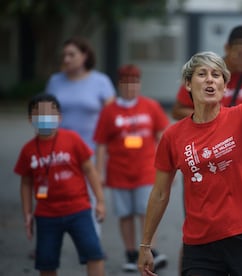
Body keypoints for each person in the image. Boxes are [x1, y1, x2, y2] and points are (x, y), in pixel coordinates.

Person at [138, 9, 242, 276]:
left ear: (224, 86)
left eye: (216, 75)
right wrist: (145, 245)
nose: (210, 79)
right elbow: (160, 193)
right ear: (188, 85)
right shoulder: (173, 136)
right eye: (202, 74)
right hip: (200, 244)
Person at [14, 94, 106, 276]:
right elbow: (25, 183)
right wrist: (27, 213)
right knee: (46, 262)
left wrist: (100, 201)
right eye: (39, 113)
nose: (45, 118)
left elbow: (90, 169)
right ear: (30, 119)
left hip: (79, 210)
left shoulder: (72, 139)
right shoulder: (28, 150)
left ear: (60, 117)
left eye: (50, 113)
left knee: (94, 254)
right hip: (46, 215)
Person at [94, 64, 169, 273]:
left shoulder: (151, 106)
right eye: (127, 83)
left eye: (135, 83)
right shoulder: (109, 111)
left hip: (146, 169)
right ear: (120, 85)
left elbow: (162, 136)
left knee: (147, 211)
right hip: (119, 171)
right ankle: (130, 252)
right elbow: (100, 143)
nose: (131, 87)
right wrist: (99, 172)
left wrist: (168, 164)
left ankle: (151, 250)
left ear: (139, 84)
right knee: (125, 214)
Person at [45, 37, 116, 237]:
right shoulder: (55, 81)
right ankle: (48, 240)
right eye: (64, 55)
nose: (66, 59)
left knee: (91, 197)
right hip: (56, 150)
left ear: (84, 56)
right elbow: (45, 113)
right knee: (51, 195)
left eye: (71, 54)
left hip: (89, 151)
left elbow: (111, 119)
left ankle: (92, 243)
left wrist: (110, 151)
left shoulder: (101, 82)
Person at [171, 25, 242, 121]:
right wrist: (214, 118)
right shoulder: (205, 73)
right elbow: (177, 111)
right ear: (227, 48)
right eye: (241, 54)